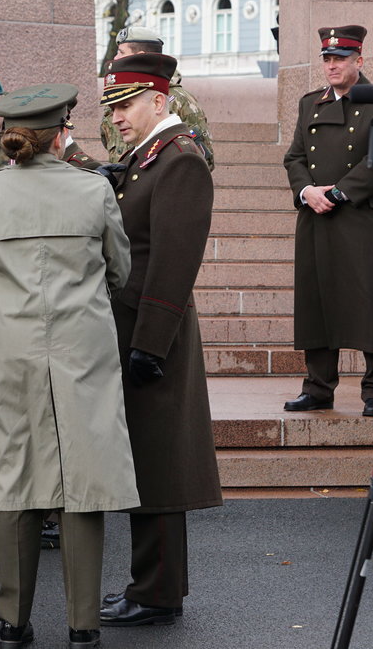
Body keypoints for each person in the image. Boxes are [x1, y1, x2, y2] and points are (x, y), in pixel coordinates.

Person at [0, 83, 139, 649]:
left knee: (13, 479)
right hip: (82, 349)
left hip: (9, 350)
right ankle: (84, 625)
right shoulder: (93, 190)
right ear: (62, 131)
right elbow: (120, 270)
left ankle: (13, 622)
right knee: (82, 480)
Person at [98, 53, 223, 628]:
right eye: (114, 107)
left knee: (161, 468)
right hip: (137, 328)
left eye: (126, 106)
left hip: (156, 334)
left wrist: (150, 344)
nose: (118, 118)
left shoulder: (180, 161)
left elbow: (173, 262)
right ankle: (149, 585)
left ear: (159, 100)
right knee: (147, 463)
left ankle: (158, 594)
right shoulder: (148, 159)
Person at [282, 25, 373, 416]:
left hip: (364, 217)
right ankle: (317, 387)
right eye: (327, 59)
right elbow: (295, 157)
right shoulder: (309, 103)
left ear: (359, 61)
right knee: (318, 301)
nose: (332, 66)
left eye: (340, 59)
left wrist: (340, 191)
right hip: (317, 215)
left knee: (372, 302)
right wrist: (307, 192)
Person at [99, 26, 214, 169]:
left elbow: (202, 160)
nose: (115, 58)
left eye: (121, 52)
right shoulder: (115, 98)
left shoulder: (179, 100)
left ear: (139, 57)